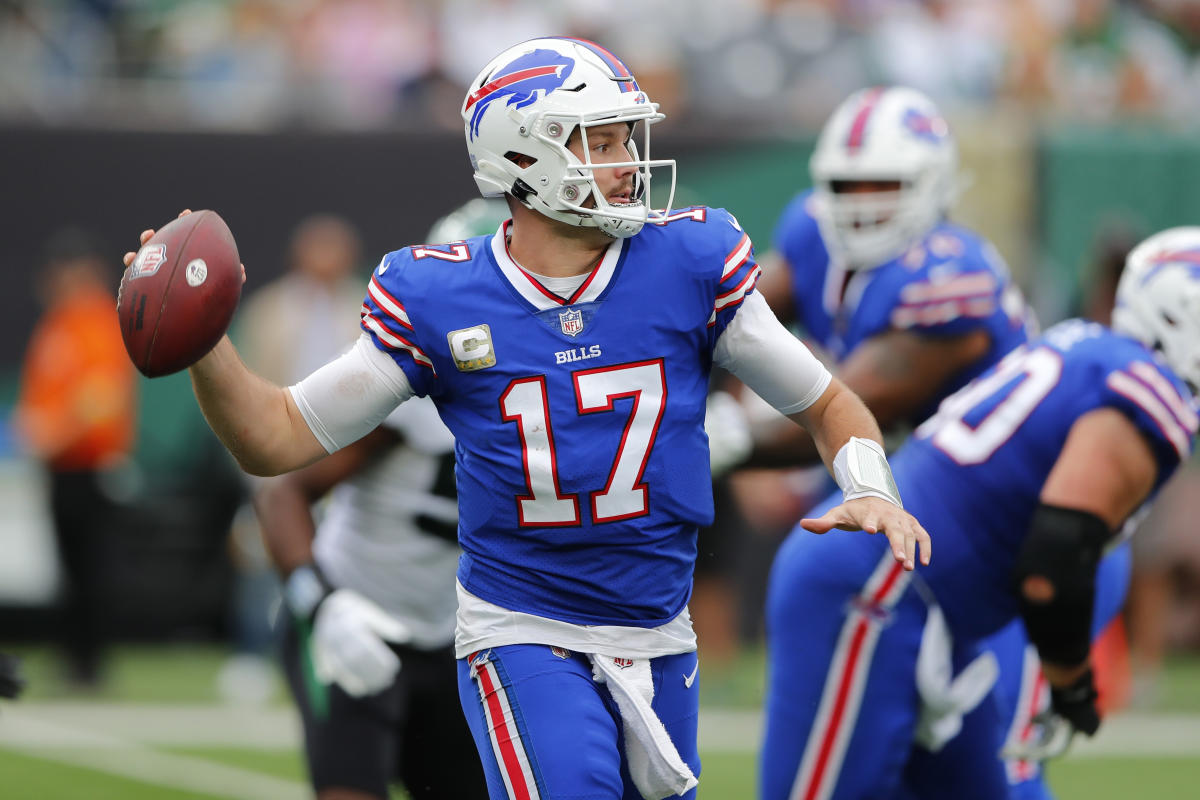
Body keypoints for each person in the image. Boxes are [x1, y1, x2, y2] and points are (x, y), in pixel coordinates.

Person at [125, 37, 929, 800]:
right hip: (522, 621)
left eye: (625, 140)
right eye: (600, 143)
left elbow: (826, 402)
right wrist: (200, 344)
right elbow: (276, 438)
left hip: (658, 627)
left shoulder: (688, 263)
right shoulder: (438, 296)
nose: (626, 166)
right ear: (521, 156)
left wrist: (870, 485)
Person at [748, 85, 1129, 799]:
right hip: (921, 546)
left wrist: (717, 439)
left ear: (935, 185)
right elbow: (735, 327)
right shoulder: (809, 234)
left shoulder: (951, 278)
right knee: (910, 770)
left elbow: (837, 412)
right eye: (845, 185)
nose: (862, 202)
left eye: (884, 184)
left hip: (1021, 545)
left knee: (1002, 769)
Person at [759, 226, 1200, 800]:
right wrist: (1072, 683)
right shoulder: (1147, 389)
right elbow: (1054, 560)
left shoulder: (1084, 345)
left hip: (930, 600)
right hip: (879, 583)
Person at [251, 203, 503, 800]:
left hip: (458, 634)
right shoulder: (410, 384)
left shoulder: (562, 384)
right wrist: (322, 605)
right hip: (358, 615)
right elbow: (285, 491)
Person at [14, 229, 138, 688]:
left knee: (93, 567)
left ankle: (91, 662)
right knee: (68, 567)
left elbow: (102, 397)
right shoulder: (57, 324)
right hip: (60, 467)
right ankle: (73, 656)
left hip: (91, 465)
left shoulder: (96, 320)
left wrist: (51, 431)